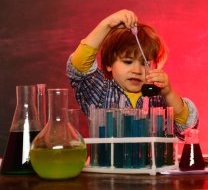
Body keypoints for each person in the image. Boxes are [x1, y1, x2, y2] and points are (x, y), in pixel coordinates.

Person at [66, 9, 198, 138]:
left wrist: (169, 94)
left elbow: (187, 128)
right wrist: (106, 25)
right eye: (128, 62)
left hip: (151, 161)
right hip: (109, 160)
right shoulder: (101, 91)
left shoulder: (159, 98)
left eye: (144, 63)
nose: (136, 70)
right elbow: (78, 67)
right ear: (109, 64)